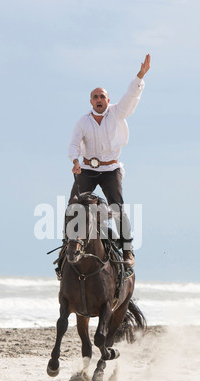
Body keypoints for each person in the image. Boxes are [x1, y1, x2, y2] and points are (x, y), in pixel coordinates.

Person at [67, 54, 151, 267]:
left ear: (107, 99)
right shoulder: (83, 121)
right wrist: (75, 161)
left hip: (110, 169)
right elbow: (74, 144)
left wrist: (140, 75)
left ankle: (128, 250)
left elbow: (131, 96)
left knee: (117, 208)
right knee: (73, 206)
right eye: (95, 97)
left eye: (102, 96)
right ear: (91, 101)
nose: (99, 100)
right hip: (86, 168)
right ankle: (68, 246)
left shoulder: (117, 113)